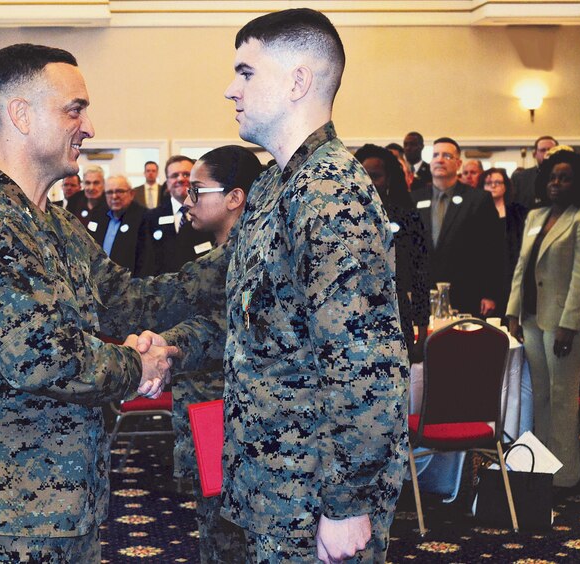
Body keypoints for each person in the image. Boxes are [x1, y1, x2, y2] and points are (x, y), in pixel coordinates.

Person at [0, 43, 228, 562]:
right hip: (2, 515)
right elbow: (46, 360)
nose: (88, 126)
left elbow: (128, 301)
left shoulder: (50, 221)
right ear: (20, 115)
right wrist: (140, 365)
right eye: (75, 109)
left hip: (63, 503)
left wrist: (238, 255)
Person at [222, 9, 408, 562]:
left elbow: (368, 366)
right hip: (274, 488)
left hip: (314, 497)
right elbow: (255, 321)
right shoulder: (276, 186)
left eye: (246, 72)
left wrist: (348, 503)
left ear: (298, 81)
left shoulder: (330, 193)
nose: (230, 89)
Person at [170, 145, 263, 563]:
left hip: (224, 419)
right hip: (212, 417)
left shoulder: (234, 261)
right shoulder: (219, 255)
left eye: (196, 190)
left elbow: (146, 299)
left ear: (234, 197)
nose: (187, 201)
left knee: (227, 538)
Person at [507, 149, 580, 490]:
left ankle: (565, 475)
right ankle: (542, 468)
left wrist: (570, 323)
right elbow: (521, 267)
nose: (556, 183)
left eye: (565, 177)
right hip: (531, 319)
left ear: (577, 182)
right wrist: (512, 312)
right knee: (539, 396)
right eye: (553, 177)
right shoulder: (536, 215)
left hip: (563, 325)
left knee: (562, 397)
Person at [410, 137, 504, 316]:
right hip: (423, 294)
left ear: (458, 163)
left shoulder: (478, 200)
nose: (439, 159)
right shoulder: (414, 199)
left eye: (447, 155)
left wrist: (490, 293)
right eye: (435, 155)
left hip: (466, 292)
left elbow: (493, 250)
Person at [355, 144, 430, 363]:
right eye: (363, 175)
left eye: (375, 176)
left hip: (397, 318)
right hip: (353, 323)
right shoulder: (342, 219)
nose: (368, 182)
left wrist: (422, 331)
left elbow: (420, 276)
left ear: (388, 180)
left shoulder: (407, 218)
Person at [139, 155, 214, 275]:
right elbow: (145, 261)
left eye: (186, 174)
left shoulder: (210, 215)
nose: (180, 179)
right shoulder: (151, 218)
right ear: (167, 183)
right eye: (174, 175)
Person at [479, 167, 528, 319]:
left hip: (511, 272)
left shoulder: (518, 211)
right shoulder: (476, 211)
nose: (493, 186)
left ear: (506, 186)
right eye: (488, 183)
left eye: (497, 182)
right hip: (486, 272)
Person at [86, 174, 148, 275]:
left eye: (119, 191)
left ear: (131, 194)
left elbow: (145, 260)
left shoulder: (143, 218)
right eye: (110, 192)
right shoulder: (98, 215)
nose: (114, 196)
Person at [511, 135, 558, 209]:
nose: (547, 153)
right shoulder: (520, 177)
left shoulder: (567, 178)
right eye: (543, 150)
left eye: (551, 150)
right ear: (535, 154)